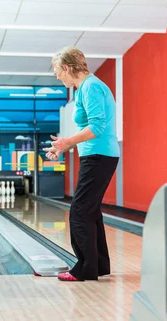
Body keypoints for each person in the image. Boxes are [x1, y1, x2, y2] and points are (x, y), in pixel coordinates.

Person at [44, 45, 120, 282]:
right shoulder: (84, 89)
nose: (57, 76)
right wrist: (65, 146)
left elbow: (97, 127)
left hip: (99, 156)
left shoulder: (91, 87)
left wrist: (67, 141)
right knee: (90, 211)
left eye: (57, 70)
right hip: (96, 155)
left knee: (79, 212)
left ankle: (85, 269)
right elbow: (88, 129)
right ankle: (98, 265)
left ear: (67, 67)